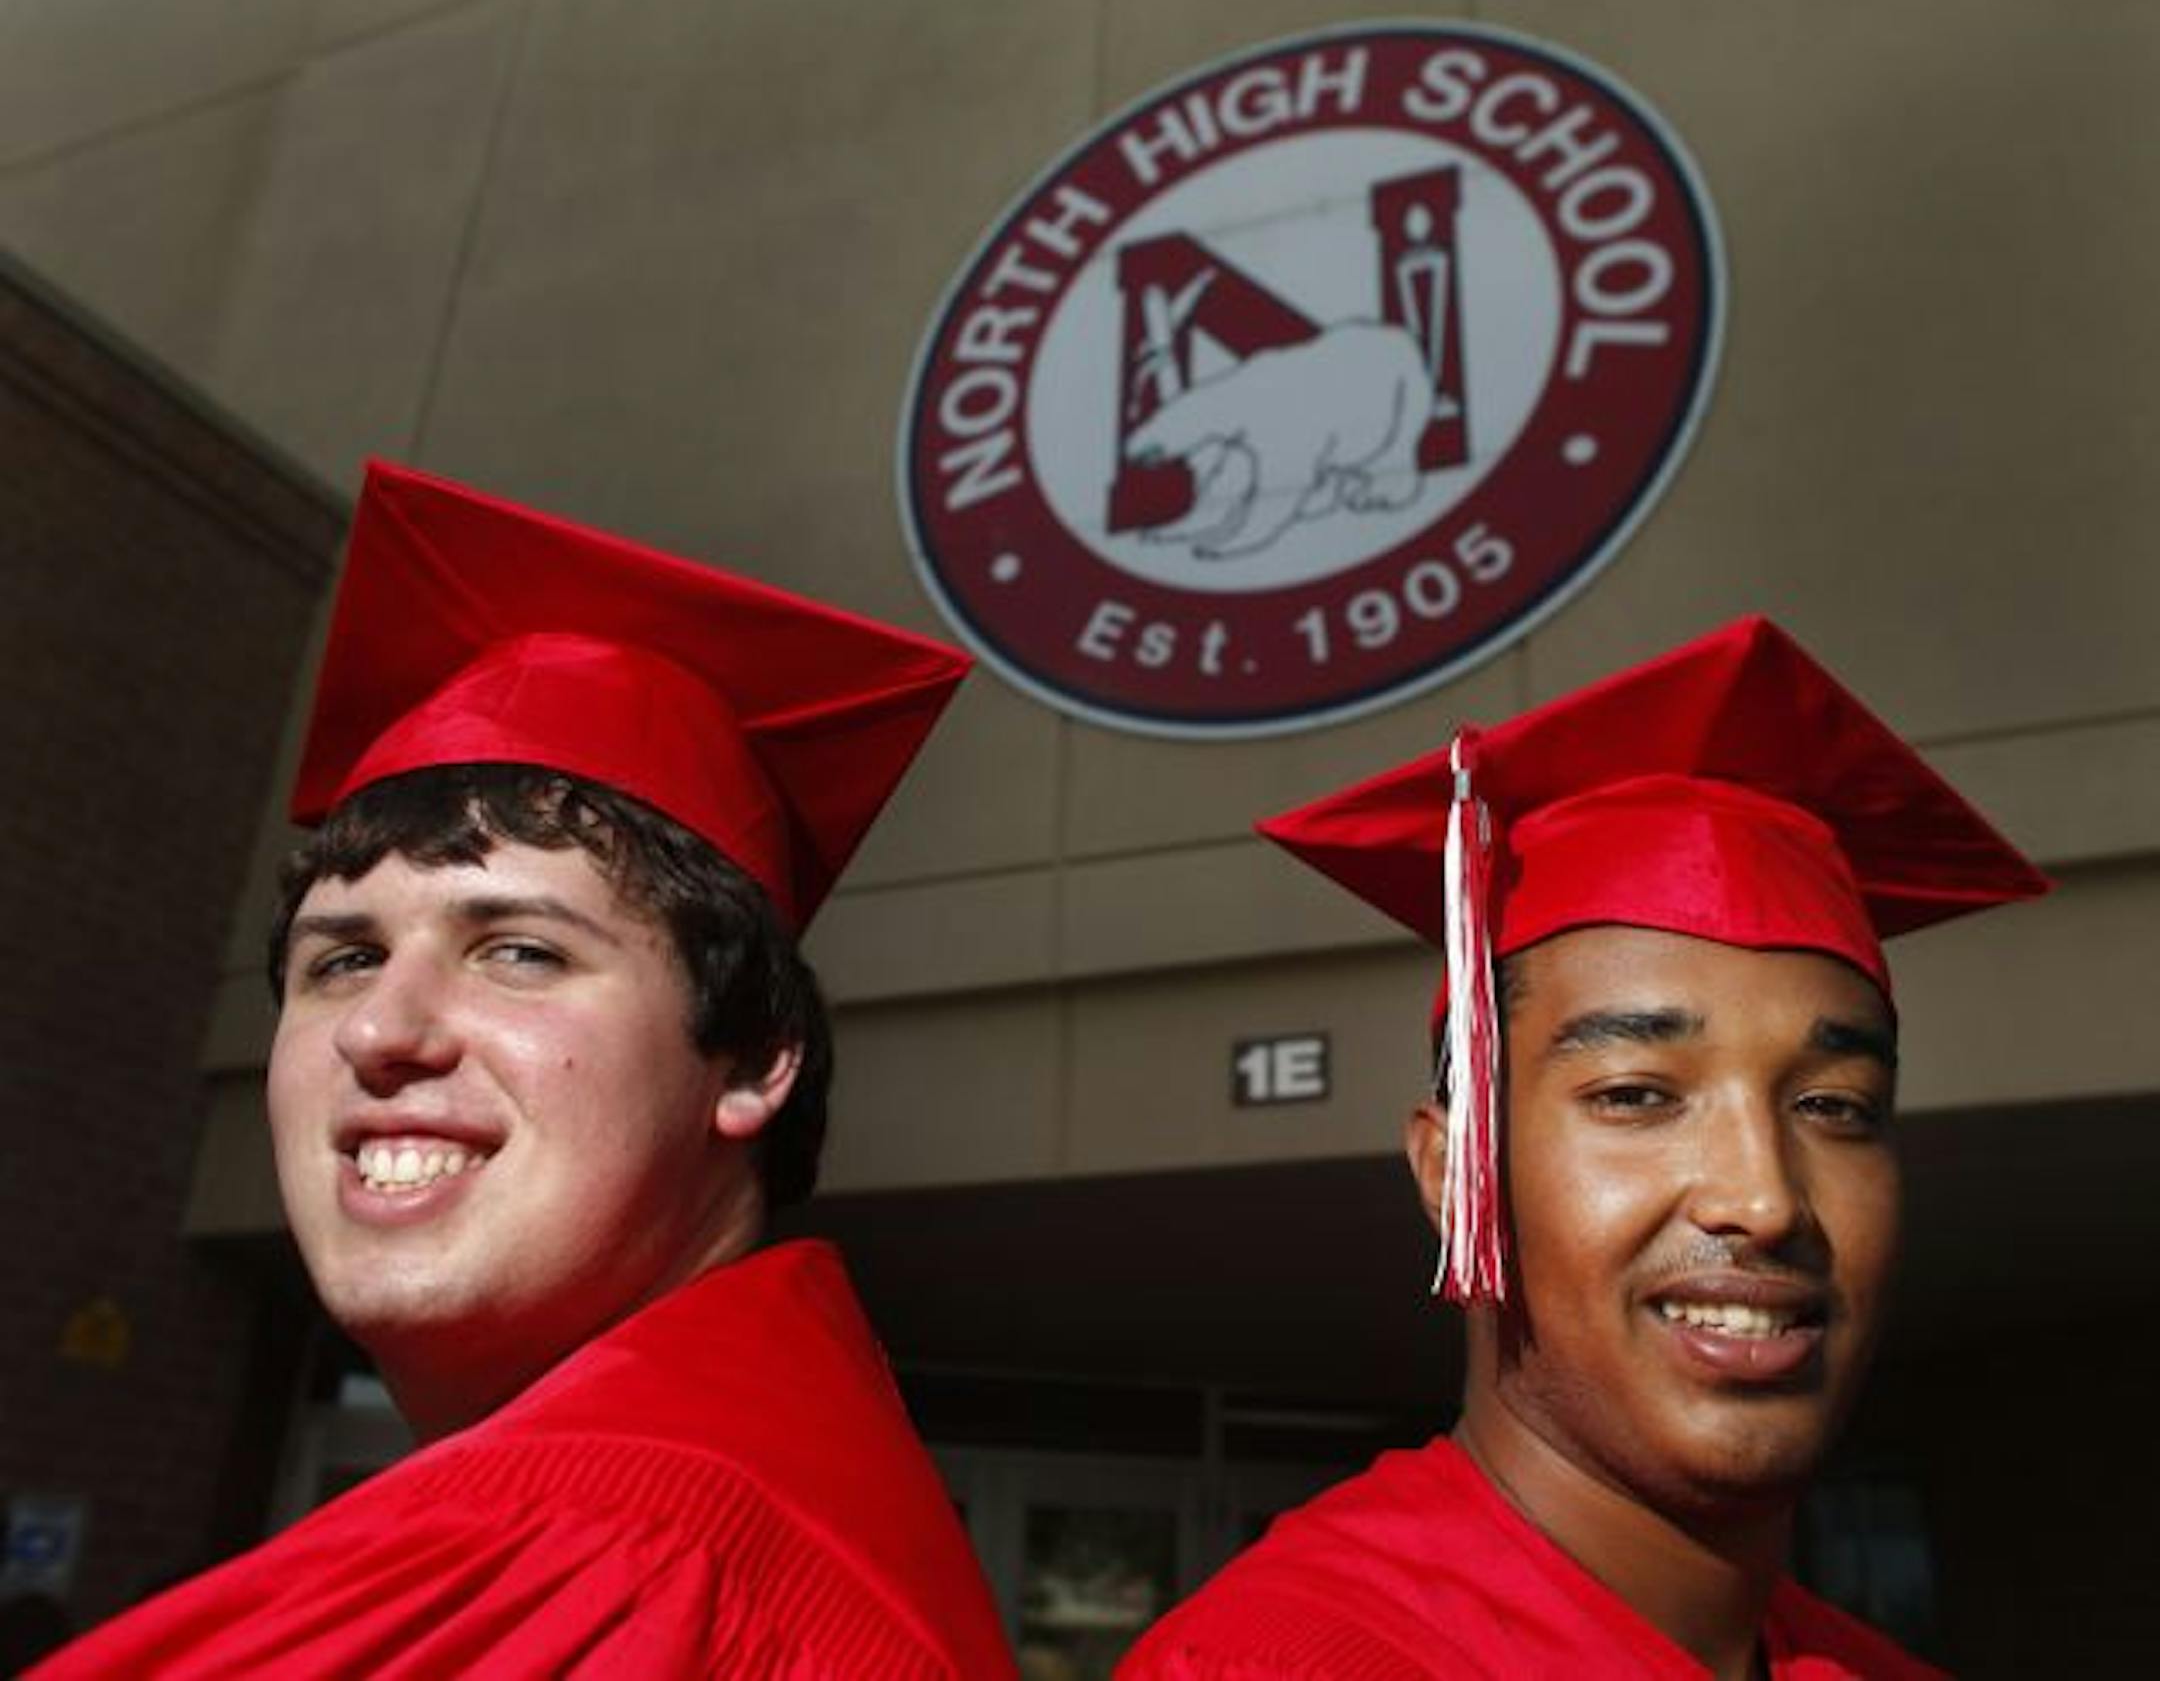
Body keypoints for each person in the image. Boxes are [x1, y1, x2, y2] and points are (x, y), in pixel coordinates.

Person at [35, 463, 1016, 1679]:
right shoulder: (754, 1493)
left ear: (756, 1059)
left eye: (518, 951)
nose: (379, 1030)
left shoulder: (614, 1573)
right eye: (339, 961)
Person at [1118, 617, 2048, 1681]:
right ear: (1452, 1174)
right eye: (1637, 1094)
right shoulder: (1286, 1666)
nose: (1766, 1197)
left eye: (1835, 1107)